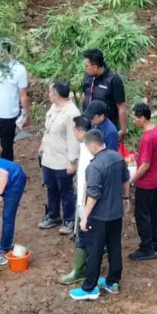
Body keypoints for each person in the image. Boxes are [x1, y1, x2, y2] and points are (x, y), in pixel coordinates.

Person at [69, 129, 130, 300]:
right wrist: (126, 198)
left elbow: (93, 195)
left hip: (100, 217)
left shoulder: (94, 166)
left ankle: (89, 288)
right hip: (116, 214)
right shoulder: (117, 157)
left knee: (94, 251)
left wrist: (85, 216)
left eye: (87, 146)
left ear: (92, 145)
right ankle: (113, 282)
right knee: (114, 247)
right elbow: (126, 179)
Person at [39, 81, 80, 234]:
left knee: (66, 190)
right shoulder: (54, 107)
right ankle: (53, 215)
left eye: (50, 92)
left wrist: (72, 161)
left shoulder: (72, 113)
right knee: (51, 187)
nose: (49, 95)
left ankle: (69, 219)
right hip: (49, 157)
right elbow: (48, 127)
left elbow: (74, 139)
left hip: (63, 159)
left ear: (56, 95)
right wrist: (43, 143)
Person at [59, 115, 95, 285]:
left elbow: (90, 180)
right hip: (82, 198)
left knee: (84, 234)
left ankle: (80, 270)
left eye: (74, 129)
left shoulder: (89, 150)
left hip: (86, 200)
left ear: (80, 131)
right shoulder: (85, 146)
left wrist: (83, 203)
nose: (73, 132)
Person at [128, 102, 157, 261]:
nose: (133, 121)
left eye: (135, 118)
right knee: (154, 210)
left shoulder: (147, 138)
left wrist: (131, 180)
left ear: (142, 118)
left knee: (142, 214)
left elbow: (144, 166)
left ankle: (146, 247)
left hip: (147, 183)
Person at [82, 49, 126, 142]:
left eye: (86, 66)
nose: (85, 68)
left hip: (105, 128)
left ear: (95, 67)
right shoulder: (87, 77)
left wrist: (123, 129)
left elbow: (121, 106)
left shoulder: (113, 80)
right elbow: (84, 97)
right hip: (89, 125)